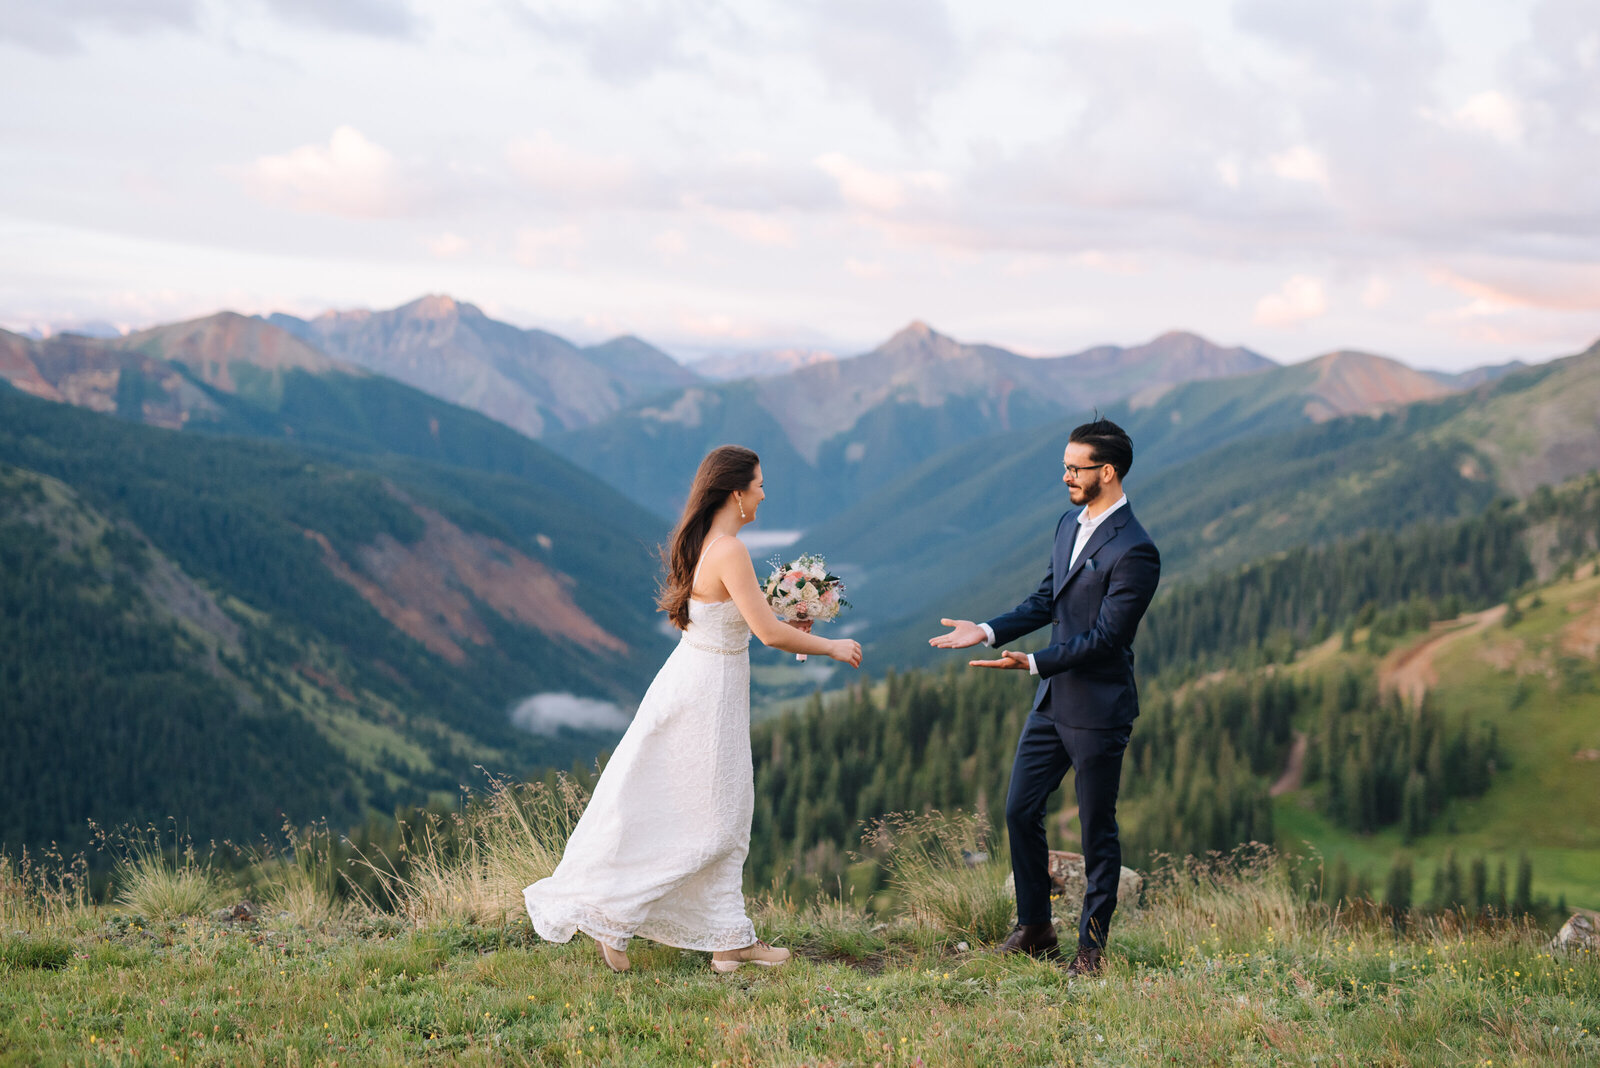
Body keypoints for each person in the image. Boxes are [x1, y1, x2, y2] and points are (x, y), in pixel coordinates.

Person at [524, 444, 863, 974]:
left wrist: (796, 619)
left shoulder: (712, 544)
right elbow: (766, 633)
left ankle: (719, 938)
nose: (763, 493)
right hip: (709, 690)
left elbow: (745, 616)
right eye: (758, 484)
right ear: (736, 492)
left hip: (699, 681)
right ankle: (640, 920)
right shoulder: (729, 550)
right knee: (722, 817)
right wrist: (833, 646)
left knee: (718, 811)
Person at [928, 418, 1159, 977]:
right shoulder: (1068, 524)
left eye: (1075, 468)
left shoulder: (1136, 550)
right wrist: (985, 630)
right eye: (1065, 466)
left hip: (1098, 709)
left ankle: (1091, 952)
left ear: (1107, 471)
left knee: (1096, 832)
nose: (1065, 476)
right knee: (1018, 809)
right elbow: (1044, 600)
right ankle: (1035, 928)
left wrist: (1032, 662)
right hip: (1055, 701)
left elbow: (1107, 638)